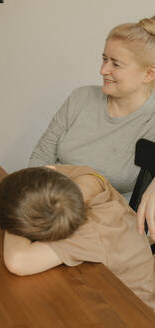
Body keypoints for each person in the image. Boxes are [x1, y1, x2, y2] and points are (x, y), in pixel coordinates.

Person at [28, 17, 155, 237]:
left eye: (116, 64)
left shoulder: (151, 118)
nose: (103, 70)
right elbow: (40, 157)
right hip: (46, 208)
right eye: (104, 59)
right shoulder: (81, 97)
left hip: (104, 228)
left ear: (149, 74)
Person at [0, 165, 155, 311]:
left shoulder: (89, 235)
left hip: (138, 310)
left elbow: (17, 261)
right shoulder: (88, 178)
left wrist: (16, 221)